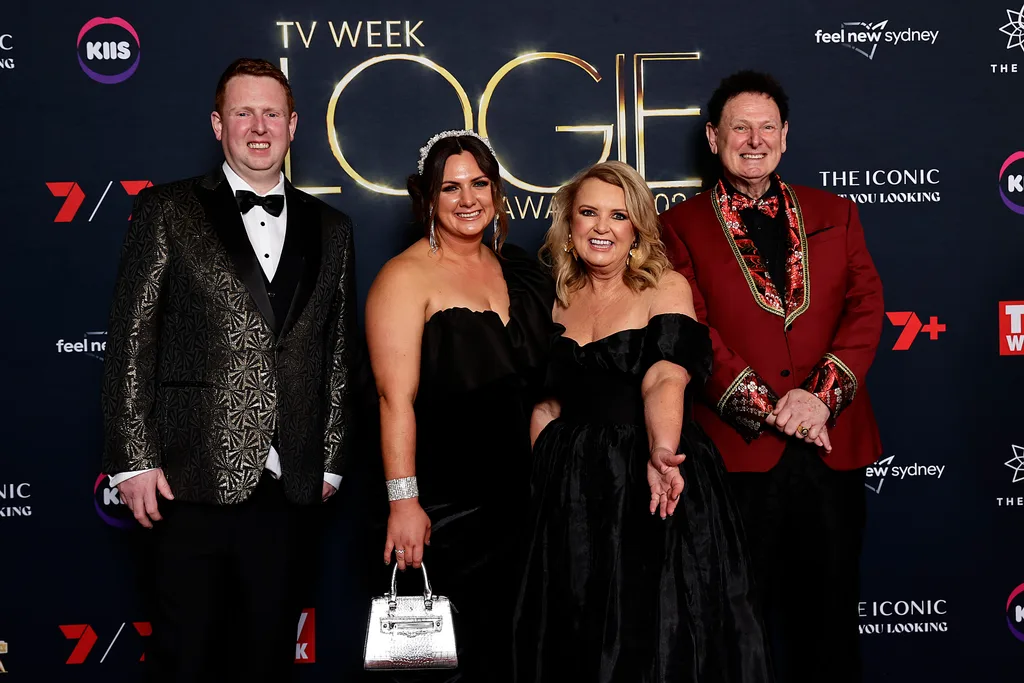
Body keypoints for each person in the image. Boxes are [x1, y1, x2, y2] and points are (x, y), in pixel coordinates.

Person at [100, 58, 358, 683]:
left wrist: (328, 458)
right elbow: (132, 338)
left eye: (272, 113)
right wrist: (134, 459)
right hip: (185, 479)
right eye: (243, 113)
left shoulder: (334, 228)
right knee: (184, 659)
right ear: (218, 124)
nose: (258, 127)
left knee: (265, 659)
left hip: (287, 482)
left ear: (294, 126)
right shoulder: (167, 209)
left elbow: (338, 354)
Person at [659, 70, 884, 683]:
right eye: (739, 127)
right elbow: (692, 327)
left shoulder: (835, 212)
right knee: (736, 623)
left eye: (766, 127)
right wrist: (770, 407)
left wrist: (817, 400)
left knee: (830, 622)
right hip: (737, 457)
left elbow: (866, 309)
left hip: (829, 449)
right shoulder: (678, 226)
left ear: (785, 136)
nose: (753, 140)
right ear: (713, 137)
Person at [514, 161, 772, 683]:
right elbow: (546, 401)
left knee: (652, 628)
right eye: (588, 213)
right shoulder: (552, 297)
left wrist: (661, 450)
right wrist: (542, 475)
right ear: (569, 223)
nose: (602, 227)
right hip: (571, 484)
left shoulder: (664, 287)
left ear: (637, 228)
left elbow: (664, 378)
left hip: (648, 470)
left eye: (619, 215)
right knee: (574, 622)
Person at [363, 130, 554, 681]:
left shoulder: (518, 270)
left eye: (479, 184)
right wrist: (405, 502)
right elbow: (393, 398)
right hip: (444, 505)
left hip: (520, 499)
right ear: (427, 198)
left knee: (512, 654)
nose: (468, 199)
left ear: (496, 191)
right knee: (448, 664)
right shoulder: (404, 277)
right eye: (451, 188)